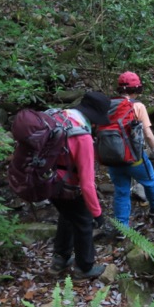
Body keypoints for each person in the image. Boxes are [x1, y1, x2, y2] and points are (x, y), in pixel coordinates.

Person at [49, 91, 111, 281]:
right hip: (67, 186)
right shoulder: (82, 137)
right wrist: (97, 214)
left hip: (46, 180)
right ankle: (84, 268)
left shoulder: (57, 117)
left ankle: (60, 259)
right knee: (83, 221)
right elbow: (87, 184)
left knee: (67, 215)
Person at [105, 72, 154, 228]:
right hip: (135, 158)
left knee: (121, 191)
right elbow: (148, 135)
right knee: (150, 181)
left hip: (112, 159)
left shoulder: (107, 106)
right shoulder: (137, 106)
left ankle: (121, 227)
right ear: (137, 89)